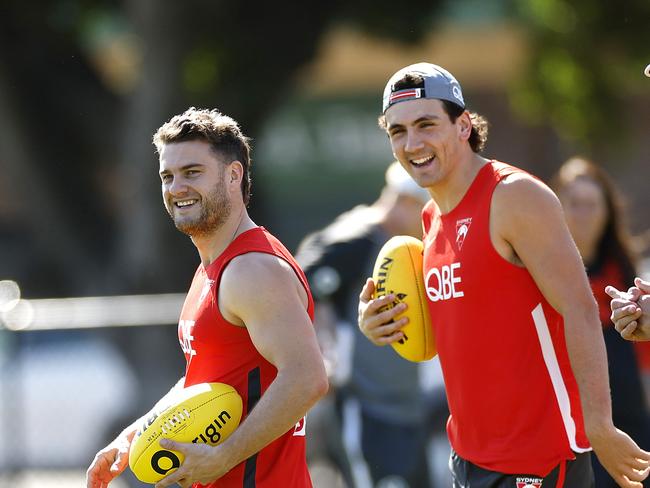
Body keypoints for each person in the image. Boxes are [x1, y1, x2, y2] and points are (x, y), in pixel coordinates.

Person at [357, 62, 650, 487]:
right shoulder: (430, 217)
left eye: (426, 124)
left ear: (463, 125)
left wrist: (599, 427)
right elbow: (466, 329)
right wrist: (382, 323)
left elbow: (580, 309)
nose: (412, 142)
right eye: (398, 132)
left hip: (539, 460)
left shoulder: (514, 196)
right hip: (469, 459)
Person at [86, 107, 328, 488]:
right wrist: (132, 437)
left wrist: (223, 457)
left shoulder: (252, 270)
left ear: (234, 175)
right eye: (168, 176)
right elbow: (208, 379)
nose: (176, 187)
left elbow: (307, 377)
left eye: (192, 172)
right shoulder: (213, 268)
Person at [296, 161, 445, 487]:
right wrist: (323, 352)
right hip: (365, 407)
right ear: (406, 202)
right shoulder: (356, 239)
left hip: (409, 406)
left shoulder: (413, 246)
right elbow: (298, 286)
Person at [551, 156, 650, 486]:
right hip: (571, 429)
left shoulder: (625, 273)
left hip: (632, 421)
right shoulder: (542, 274)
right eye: (575, 204)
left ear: (607, 211)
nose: (584, 215)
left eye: (592, 205)